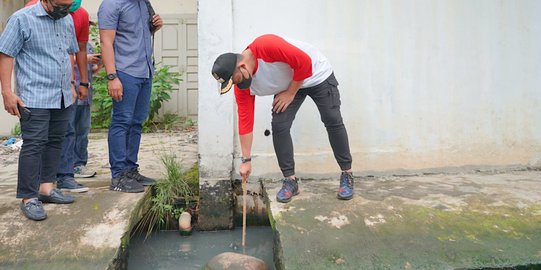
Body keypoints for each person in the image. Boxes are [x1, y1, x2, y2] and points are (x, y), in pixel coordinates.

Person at [212, 34, 355, 203]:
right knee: (279, 125)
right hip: (292, 82)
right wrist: (246, 160)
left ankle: (347, 174)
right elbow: (245, 121)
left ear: (242, 66)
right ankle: (290, 180)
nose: (237, 85)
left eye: (235, 80)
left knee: (332, 119)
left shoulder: (266, 46)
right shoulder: (242, 86)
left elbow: (305, 62)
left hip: (316, 74)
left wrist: (290, 93)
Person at [0, 0, 82, 220]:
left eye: (69, 6)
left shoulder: (66, 19)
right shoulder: (21, 19)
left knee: (56, 141)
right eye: (60, 6)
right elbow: (6, 54)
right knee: (34, 144)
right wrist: (7, 92)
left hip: (62, 94)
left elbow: (69, 52)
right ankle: (29, 197)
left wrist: (73, 84)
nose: (64, 10)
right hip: (34, 95)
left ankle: (46, 188)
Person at [25, 0, 93, 192]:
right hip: (38, 87)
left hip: (65, 85)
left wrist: (82, 82)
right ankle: (37, 184)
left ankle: (65, 176)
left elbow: (77, 50)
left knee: (67, 131)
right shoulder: (30, 11)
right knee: (39, 137)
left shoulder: (79, 15)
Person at [98, 0, 163, 193]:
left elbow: (138, 34)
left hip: (144, 70)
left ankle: (130, 169)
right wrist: (112, 77)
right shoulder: (111, 4)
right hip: (125, 72)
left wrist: (154, 27)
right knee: (121, 121)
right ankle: (118, 176)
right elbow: (106, 42)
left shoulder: (142, 3)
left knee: (136, 122)